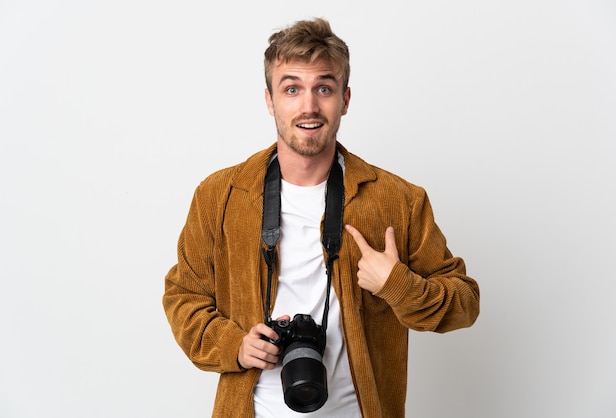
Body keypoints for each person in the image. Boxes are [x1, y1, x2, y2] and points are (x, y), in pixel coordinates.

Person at [163, 17, 480, 417]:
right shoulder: (219, 196)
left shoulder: (398, 200)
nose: (308, 106)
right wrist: (234, 346)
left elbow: (465, 302)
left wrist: (396, 285)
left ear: (345, 99)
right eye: (292, 88)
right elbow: (182, 297)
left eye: (324, 89)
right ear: (269, 99)